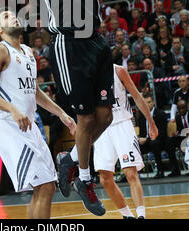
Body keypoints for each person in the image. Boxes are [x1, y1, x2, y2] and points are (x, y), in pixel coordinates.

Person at [22, 0, 115, 215]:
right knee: (87, 119)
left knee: (105, 117)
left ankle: (71, 160)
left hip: (96, 41)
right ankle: (85, 180)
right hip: (69, 43)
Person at [0, 9, 76, 219]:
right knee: (43, 186)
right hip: (11, 127)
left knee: (48, 186)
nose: (13, 16)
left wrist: (61, 113)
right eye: (6, 16)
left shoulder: (28, 51)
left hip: (30, 127)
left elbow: (36, 92)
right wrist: (12, 109)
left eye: (13, 14)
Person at [58, 64, 158, 219]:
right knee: (105, 177)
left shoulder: (118, 71)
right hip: (102, 129)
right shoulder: (87, 74)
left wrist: (150, 122)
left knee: (130, 172)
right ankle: (127, 215)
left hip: (123, 124)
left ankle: (141, 216)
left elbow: (137, 96)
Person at [138, 95, 168, 179]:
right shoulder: (141, 116)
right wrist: (139, 138)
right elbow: (142, 133)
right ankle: (135, 173)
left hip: (159, 141)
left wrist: (146, 139)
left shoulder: (160, 114)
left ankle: (160, 170)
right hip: (147, 142)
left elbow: (162, 133)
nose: (147, 105)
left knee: (155, 143)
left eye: (149, 102)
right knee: (133, 145)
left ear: (153, 103)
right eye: (145, 103)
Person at [166, 100, 189, 177]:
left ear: (187, 107)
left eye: (183, 108)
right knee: (169, 142)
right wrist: (176, 133)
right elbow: (180, 130)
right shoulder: (178, 116)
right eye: (179, 109)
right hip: (183, 137)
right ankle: (175, 170)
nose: (181, 110)